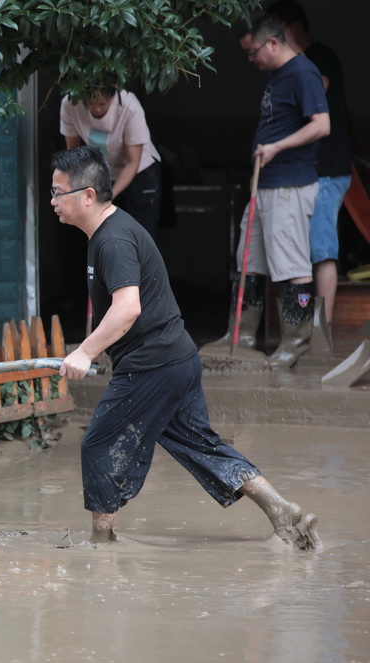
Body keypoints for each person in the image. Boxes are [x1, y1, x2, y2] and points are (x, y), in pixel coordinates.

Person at [53, 145, 321, 551]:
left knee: (98, 443)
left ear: (88, 195)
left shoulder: (114, 241)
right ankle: (281, 510)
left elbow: (127, 308)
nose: (53, 201)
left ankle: (101, 542)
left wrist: (86, 351)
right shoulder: (108, 233)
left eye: (58, 193)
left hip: (152, 365)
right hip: (176, 359)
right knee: (201, 446)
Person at [202, 13, 329, 368]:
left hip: (289, 185)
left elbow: (322, 125)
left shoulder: (304, 73)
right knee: (249, 261)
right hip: (266, 185)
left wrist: (276, 148)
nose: (250, 58)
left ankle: (296, 343)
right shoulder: (278, 75)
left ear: (273, 42)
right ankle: (240, 335)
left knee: (291, 266)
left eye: (253, 51)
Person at [268, 0, 352, 328]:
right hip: (308, 172)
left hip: (327, 170)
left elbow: (318, 87)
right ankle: (305, 326)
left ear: (294, 28)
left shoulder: (320, 57)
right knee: (304, 249)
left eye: (279, 30)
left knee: (322, 247)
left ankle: (322, 329)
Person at [60, 87, 163, 237]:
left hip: (138, 169)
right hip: (101, 171)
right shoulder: (71, 103)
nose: (96, 109)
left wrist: (108, 194)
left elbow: (132, 162)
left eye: (102, 103)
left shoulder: (129, 106)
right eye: (91, 103)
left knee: (140, 232)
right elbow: (73, 153)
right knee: (105, 232)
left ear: (112, 96)